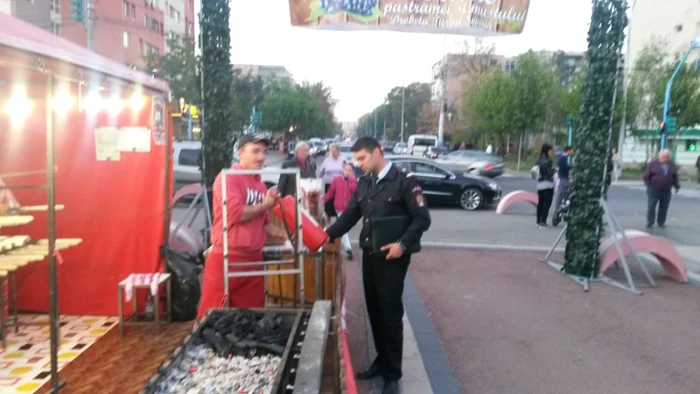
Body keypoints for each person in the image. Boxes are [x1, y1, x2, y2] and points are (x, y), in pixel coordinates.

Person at [325, 137, 431, 394]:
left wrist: (402, 245)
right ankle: (382, 361)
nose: (358, 164)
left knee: (390, 314)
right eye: (356, 160)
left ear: (378, 152)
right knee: (374, 309)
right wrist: (327, 235)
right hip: (370, 255)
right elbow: (351, 215)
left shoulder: (405, 181)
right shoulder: (365, 183)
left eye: (362, 158)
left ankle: (393, 374)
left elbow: (422, 218)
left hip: (393, 258)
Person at [197, 135, 287, 318]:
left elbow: (265, 225)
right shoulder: (228, 177)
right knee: (210, 317)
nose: (261, 156)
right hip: (227, 258)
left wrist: (290, 238)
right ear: (240, 153)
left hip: (254, 260)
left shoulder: (261, 186)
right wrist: (266, 205)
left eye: (264, 151)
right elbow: (235, 214)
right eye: (255, 151)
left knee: (251, 318)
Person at [323, 162, 357, 259]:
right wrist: (322, 200)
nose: (347, 172)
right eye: (345, 169)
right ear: (342, 169)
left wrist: (351, 181)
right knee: (344, 228)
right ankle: (348, 248)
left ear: (352, 172)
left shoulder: (353, 181)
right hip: (339, 207)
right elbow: (330, 193)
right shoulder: (337, 180)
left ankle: (332, 238)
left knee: (342, 227)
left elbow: (356, 192)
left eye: (349, 170)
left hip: (349, 208)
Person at [643, 149, 680, 229]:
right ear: (659, 157)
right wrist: (648, 184)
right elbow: (646, 176)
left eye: (667, 157)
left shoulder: (672, 165)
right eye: (663, 157)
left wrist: (676, 186)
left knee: (664, 207)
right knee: (651, 206)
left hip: (666, 190)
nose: (665, 159)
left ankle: (661, 222)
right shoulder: (653, 164)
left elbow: (675, 176)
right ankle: (650, 222)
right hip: (654, 189)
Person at [317, 143, 346, 218]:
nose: (333, 153)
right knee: (328, 204)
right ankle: (328, 221)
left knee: (338, 203)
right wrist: (318, 182)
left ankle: (339, 220)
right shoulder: (327, 160)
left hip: (340, 185)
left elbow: (348, 172)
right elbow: (321, 172)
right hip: (328, 184)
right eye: (331, 151)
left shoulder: (343, 160)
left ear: (339, 151)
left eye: (335, 151)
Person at [535, 143, 556, 228]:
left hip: (540, 184)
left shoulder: (538, 159)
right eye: (551, 150)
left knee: (540, 203)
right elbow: (549, 173)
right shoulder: (549, 160)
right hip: (547, 184)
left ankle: (538, 221)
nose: (552, 152)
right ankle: (543, 221)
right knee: (547, 204)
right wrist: (555, 170)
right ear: (548, 150)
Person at [555, 146, 573, 210]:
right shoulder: (562, 159)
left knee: (563, 193)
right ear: (568, 150)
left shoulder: (563, 158)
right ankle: (558, 209)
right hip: (563, 179)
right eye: (572, 150)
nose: (572, 152)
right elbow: (566, 168)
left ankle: (561, 207)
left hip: (564, 178)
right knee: (561, 193)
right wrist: (572, 166)